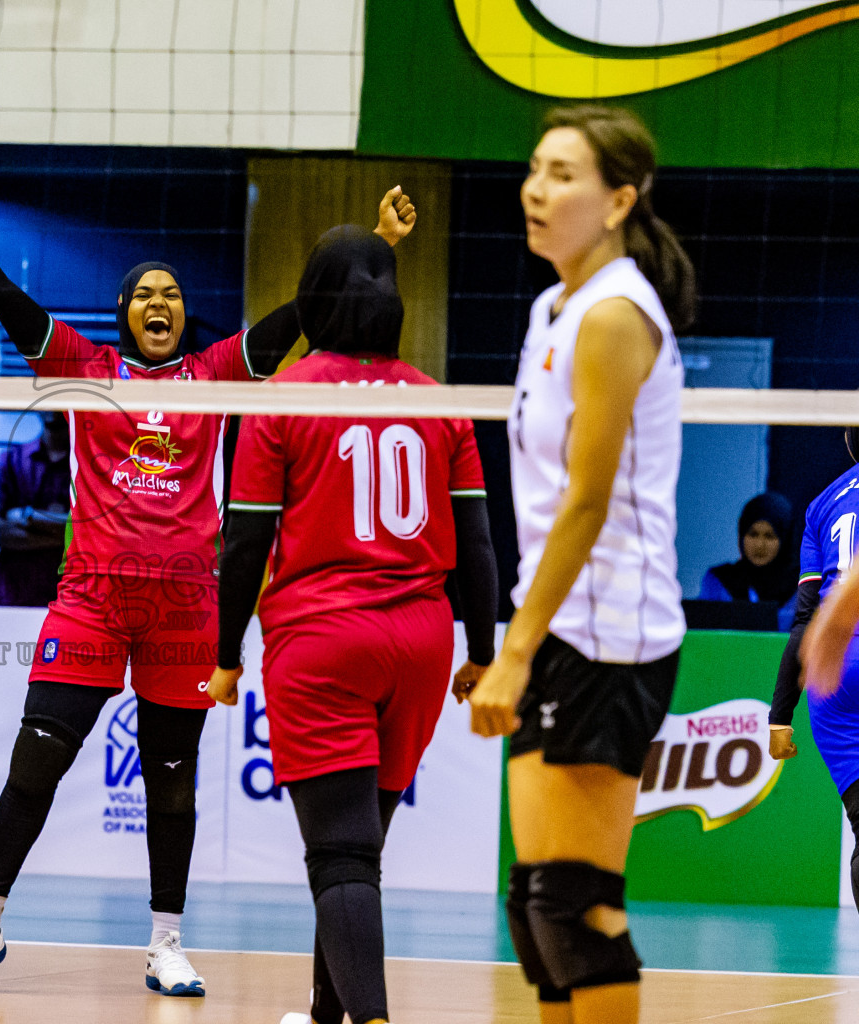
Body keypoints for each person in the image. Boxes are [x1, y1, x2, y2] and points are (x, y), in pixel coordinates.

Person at [0, 151, 416, 997]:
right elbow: (2, 298)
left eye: (171, 293)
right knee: (34, 764)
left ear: (185, 314)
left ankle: (164, 942)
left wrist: (380, 248)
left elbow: (301, 318)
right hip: (93, 599)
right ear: (122, 314)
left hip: (185, 608)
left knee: (173, 787)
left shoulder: (214, 376)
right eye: (144, 293)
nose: (159, 303)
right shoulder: (84, 371)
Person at [207, 226, 499, 1024]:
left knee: (339, 855)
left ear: (310, 300)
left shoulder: (284, 397)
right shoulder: (442, 401)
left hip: (324, 638)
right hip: (422, 644)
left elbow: (245, 543)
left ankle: (370, 1019)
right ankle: (327, 1014)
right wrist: (483, 649)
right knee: (356, 855)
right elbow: (476, 540)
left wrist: (225, 656)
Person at [465, 105, 696, 1024]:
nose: (536, 187)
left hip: (613, 635)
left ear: (618, 201)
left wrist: (514, 651)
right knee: (537, 908)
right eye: (535, 168)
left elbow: (588, 503)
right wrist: (523, 635)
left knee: (578, 905)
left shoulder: (613, 317)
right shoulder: (549, 308)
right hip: (559, 619)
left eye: (564, 173)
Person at [768, 429, 859, 911]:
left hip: (833, 673)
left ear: (848, 440)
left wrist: (780, 716)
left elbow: (805, 617)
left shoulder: (824, 503)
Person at [0, 410, 70, 606]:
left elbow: (93, 531)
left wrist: (26, 517)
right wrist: (63, 534)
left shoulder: (90, 467)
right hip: (9, 599)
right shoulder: (9, 461)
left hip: (66, 603)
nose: (53, 408)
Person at [698, 492, 798, 630]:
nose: (760, 545)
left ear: (785, 539)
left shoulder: (803, 588)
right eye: (753, 534)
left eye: (769, 536)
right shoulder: (719, 581)